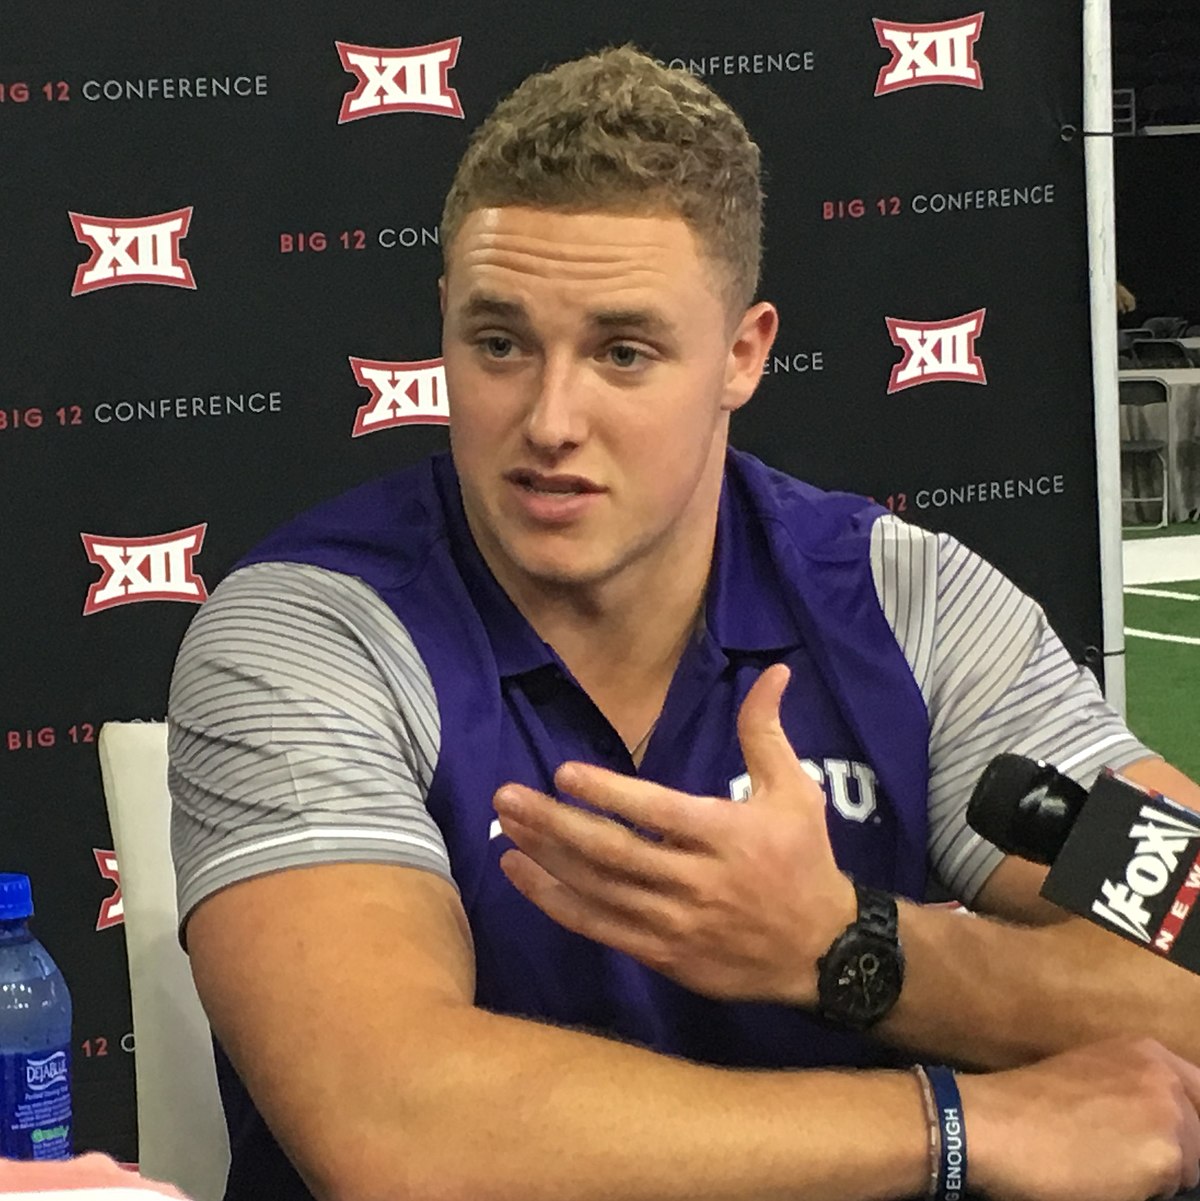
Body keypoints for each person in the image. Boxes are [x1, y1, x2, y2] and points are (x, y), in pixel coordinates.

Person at [168, 46, 1200, 1201]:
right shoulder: (309, 633)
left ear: (743, 355)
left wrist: (858, 951)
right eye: (500, 343)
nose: (550, 420)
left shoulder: (909, 606)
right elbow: (402, 1132)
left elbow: (1191, 957)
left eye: (623, 352)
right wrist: (961, 1124)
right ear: (444, 323)